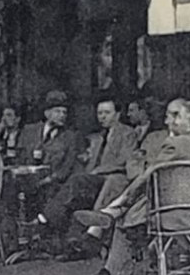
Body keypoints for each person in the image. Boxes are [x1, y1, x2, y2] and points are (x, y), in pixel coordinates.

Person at [83, 99, 190, 275]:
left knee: (129, 217)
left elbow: (149, 176)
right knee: (137, 208)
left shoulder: (175, 144)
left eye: (178, 117)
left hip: (170, 215)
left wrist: (126, 198)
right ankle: (110, 217)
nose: (171, 122)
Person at [40, 97, 137, 250]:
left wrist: (98, 170)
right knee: (71, 191)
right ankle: (72, 243)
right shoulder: (98, 137)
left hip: (110, 177)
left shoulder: (127, 133)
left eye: (107, 113)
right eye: (99, 113)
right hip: (93, 178)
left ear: (117, 114)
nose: (102, 117)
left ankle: (45, 219)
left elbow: (125, 160)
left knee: (76, 182)